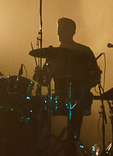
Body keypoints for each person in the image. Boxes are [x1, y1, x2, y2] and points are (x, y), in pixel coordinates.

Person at [33, 16, 105, 145]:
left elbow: (95, 77)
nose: (60, 33)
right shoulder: (53, 54)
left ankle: (72, 145)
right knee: (38, 107)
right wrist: (38, 75)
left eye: (63, 29)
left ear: (73, 31)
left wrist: (82, 88)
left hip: (80, 96)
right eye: (59, 29)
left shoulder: (83, 51)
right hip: (59, 97)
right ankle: (41, 146)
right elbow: (45, 82)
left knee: (76, 107)